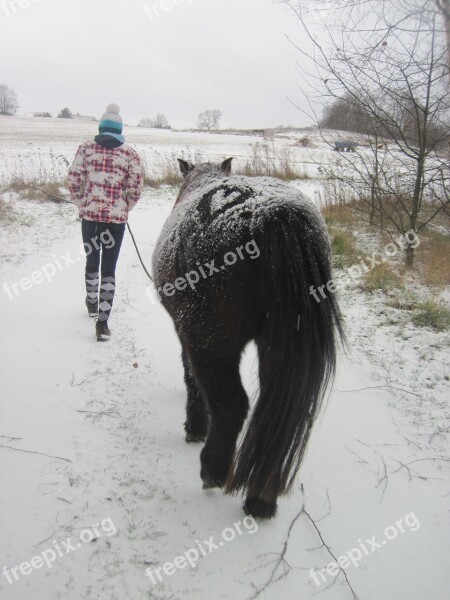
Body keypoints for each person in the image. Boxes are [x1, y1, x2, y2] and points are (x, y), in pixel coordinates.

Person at [68, 103, 143, 341]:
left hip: (90, 218)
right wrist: (123, 207)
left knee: (92, 260)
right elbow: (135, 188)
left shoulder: (86, 149)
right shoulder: (129, 154)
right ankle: (102, 323)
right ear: (119, 129)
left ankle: (91, 302)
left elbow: (73, 180)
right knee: (109, 268)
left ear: (101, 128)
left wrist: (83, 203)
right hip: (115, 223)